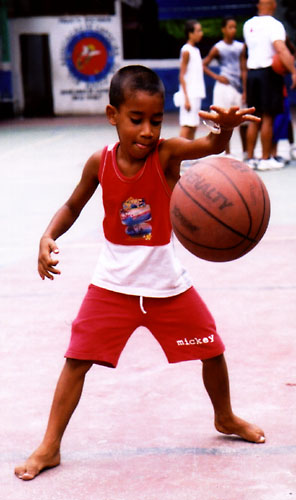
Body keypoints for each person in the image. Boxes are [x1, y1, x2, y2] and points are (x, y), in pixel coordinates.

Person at [14, 65, 265, 481]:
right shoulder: (100, 162)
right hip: (112, 285)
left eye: (155, 120)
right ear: (113, 115)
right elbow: (73, 205)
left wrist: (224, 132)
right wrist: (47, 235)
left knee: (213, 349)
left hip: (167, 284)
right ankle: (50, 446)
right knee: (76, 361)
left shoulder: (166, 155)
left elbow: (207, 145)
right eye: (136, 120)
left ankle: (225, 417)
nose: (148, 131)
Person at [243, 0, 296, 171]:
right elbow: (280, 49)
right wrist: (294, 72)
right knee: (268, 118)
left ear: (258, 5)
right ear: (273, 5)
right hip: (268, 74)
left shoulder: (248, 24)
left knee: (254, 119)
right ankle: (265, 158)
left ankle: (250, 157)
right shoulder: (275, 25)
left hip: (252, 73)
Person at [203, 16, 247, 158]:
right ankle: (227, 153)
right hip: (223, 87)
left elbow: (243, 68)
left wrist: (245, 89)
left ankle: (246, 152)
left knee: (242, 120)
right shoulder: (218, 47)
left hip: (237, 86)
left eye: (234, 27)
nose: (233, 30)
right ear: (223, 29)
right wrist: (217, 77)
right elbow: (204, 64)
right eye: (230, 27)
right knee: (224, 121)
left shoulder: (240, 47)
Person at [176, 19, 206, 140]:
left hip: (196, 93)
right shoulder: (186, 50)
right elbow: (182, 75)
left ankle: (189, 154)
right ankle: (179, 154)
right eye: (198, 31)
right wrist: (186, 98)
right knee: (187, 125)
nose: (201, 33)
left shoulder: (196, 50)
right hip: (189, 94)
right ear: (190, 33)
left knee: (193, 125)